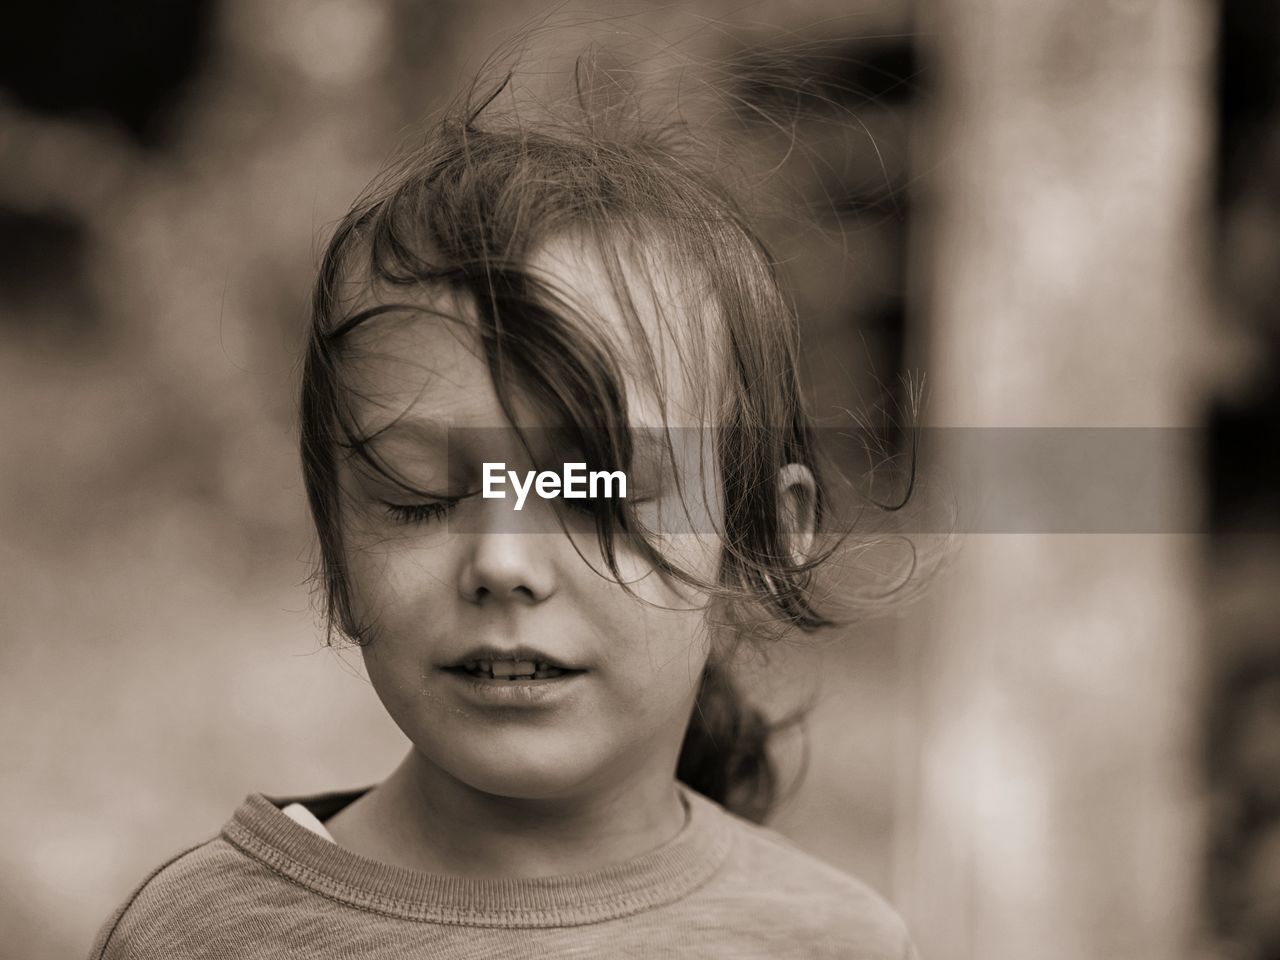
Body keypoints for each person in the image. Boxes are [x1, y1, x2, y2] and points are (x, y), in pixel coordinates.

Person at [88, 60, 919, 959]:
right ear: (333, 546)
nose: (502, 563)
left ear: (758, 540)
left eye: (595, 488)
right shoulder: (206, 938)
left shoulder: (834, 940)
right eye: (419, 498)